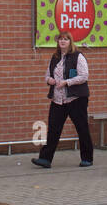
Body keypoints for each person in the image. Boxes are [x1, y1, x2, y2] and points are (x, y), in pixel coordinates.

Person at [32, 31, 94, 169]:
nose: (63, 41)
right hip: (57, 99)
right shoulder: (54, 57)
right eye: (60, 39)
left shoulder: (78, 56)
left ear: (70, 42)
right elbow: (47, 75)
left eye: (66, 39)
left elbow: (84, 76)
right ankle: (45, 159)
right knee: (53, 129)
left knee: (82, 128)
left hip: (75, 99)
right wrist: (50, 80)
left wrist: (67, 82)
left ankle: (87, 158)